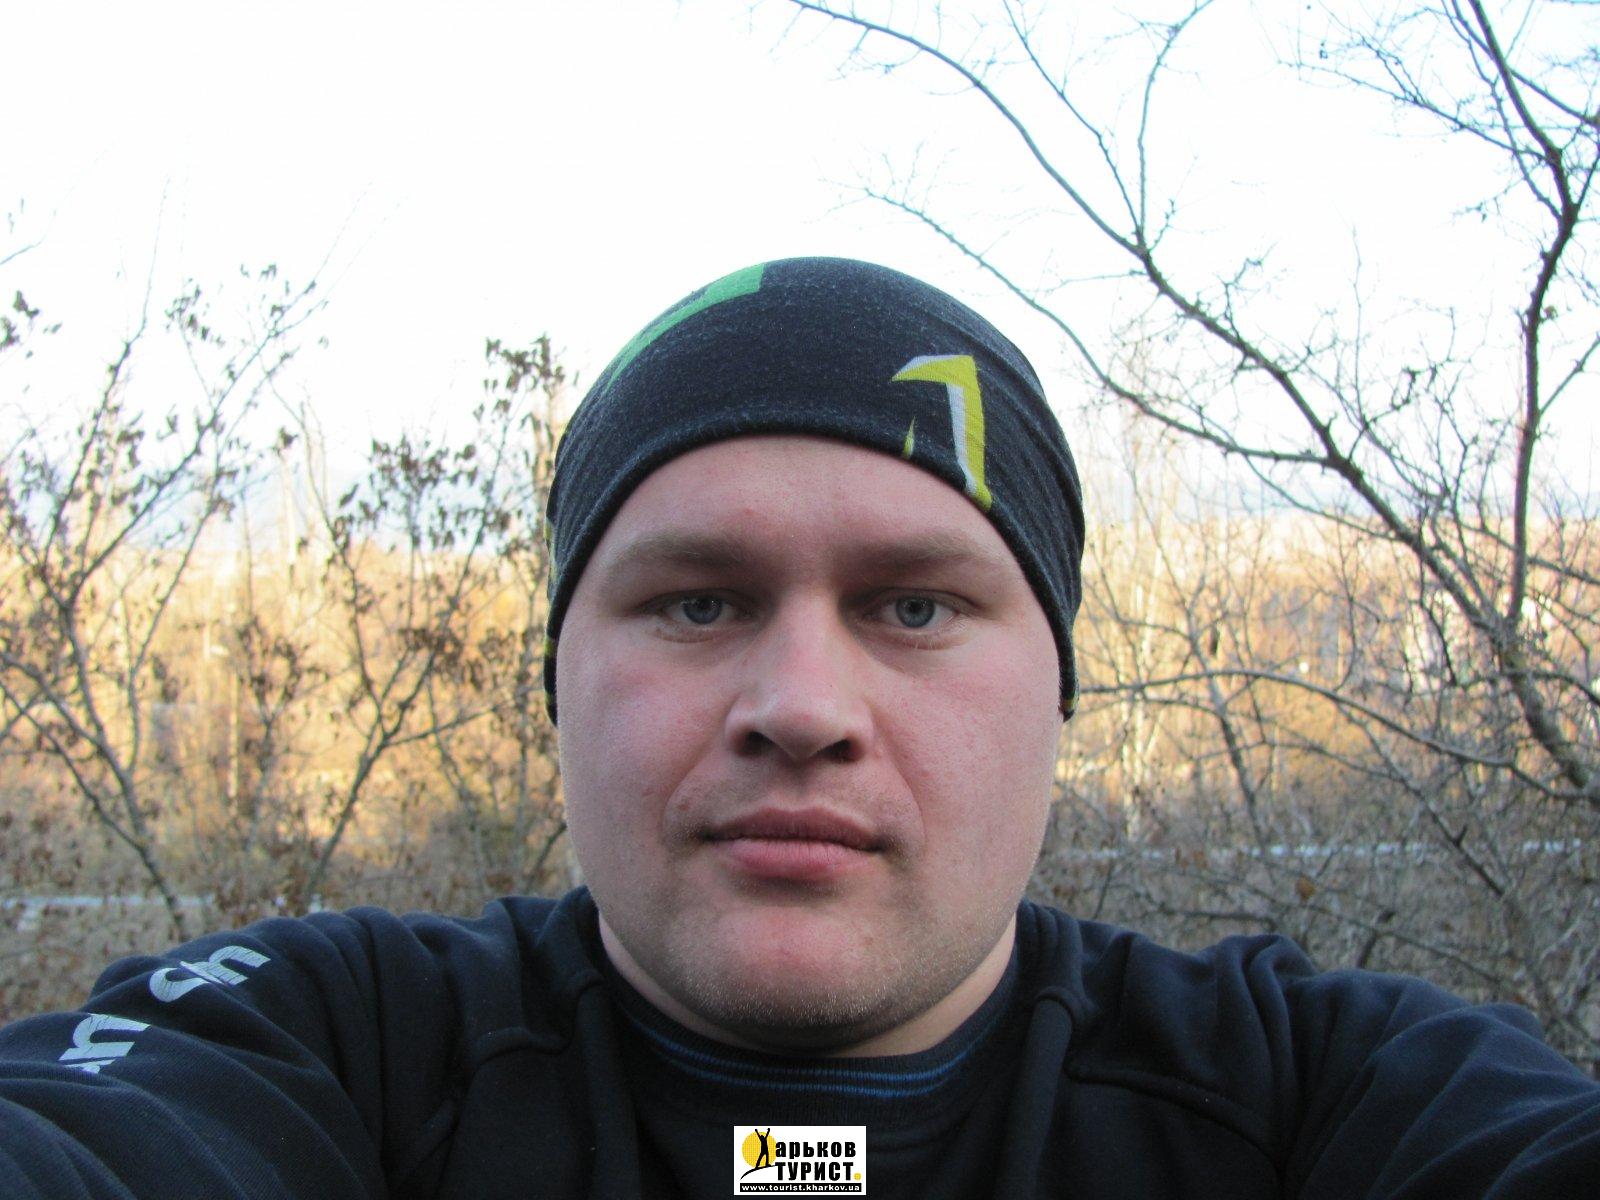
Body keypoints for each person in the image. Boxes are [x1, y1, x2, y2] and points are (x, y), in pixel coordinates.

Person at [0, 257, 1595, 1199]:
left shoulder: (1320, 1095)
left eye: (917, 606)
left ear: (1059, 689)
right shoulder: (325, 1049)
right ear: (558, 679)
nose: (803, 710)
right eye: (698, 601)